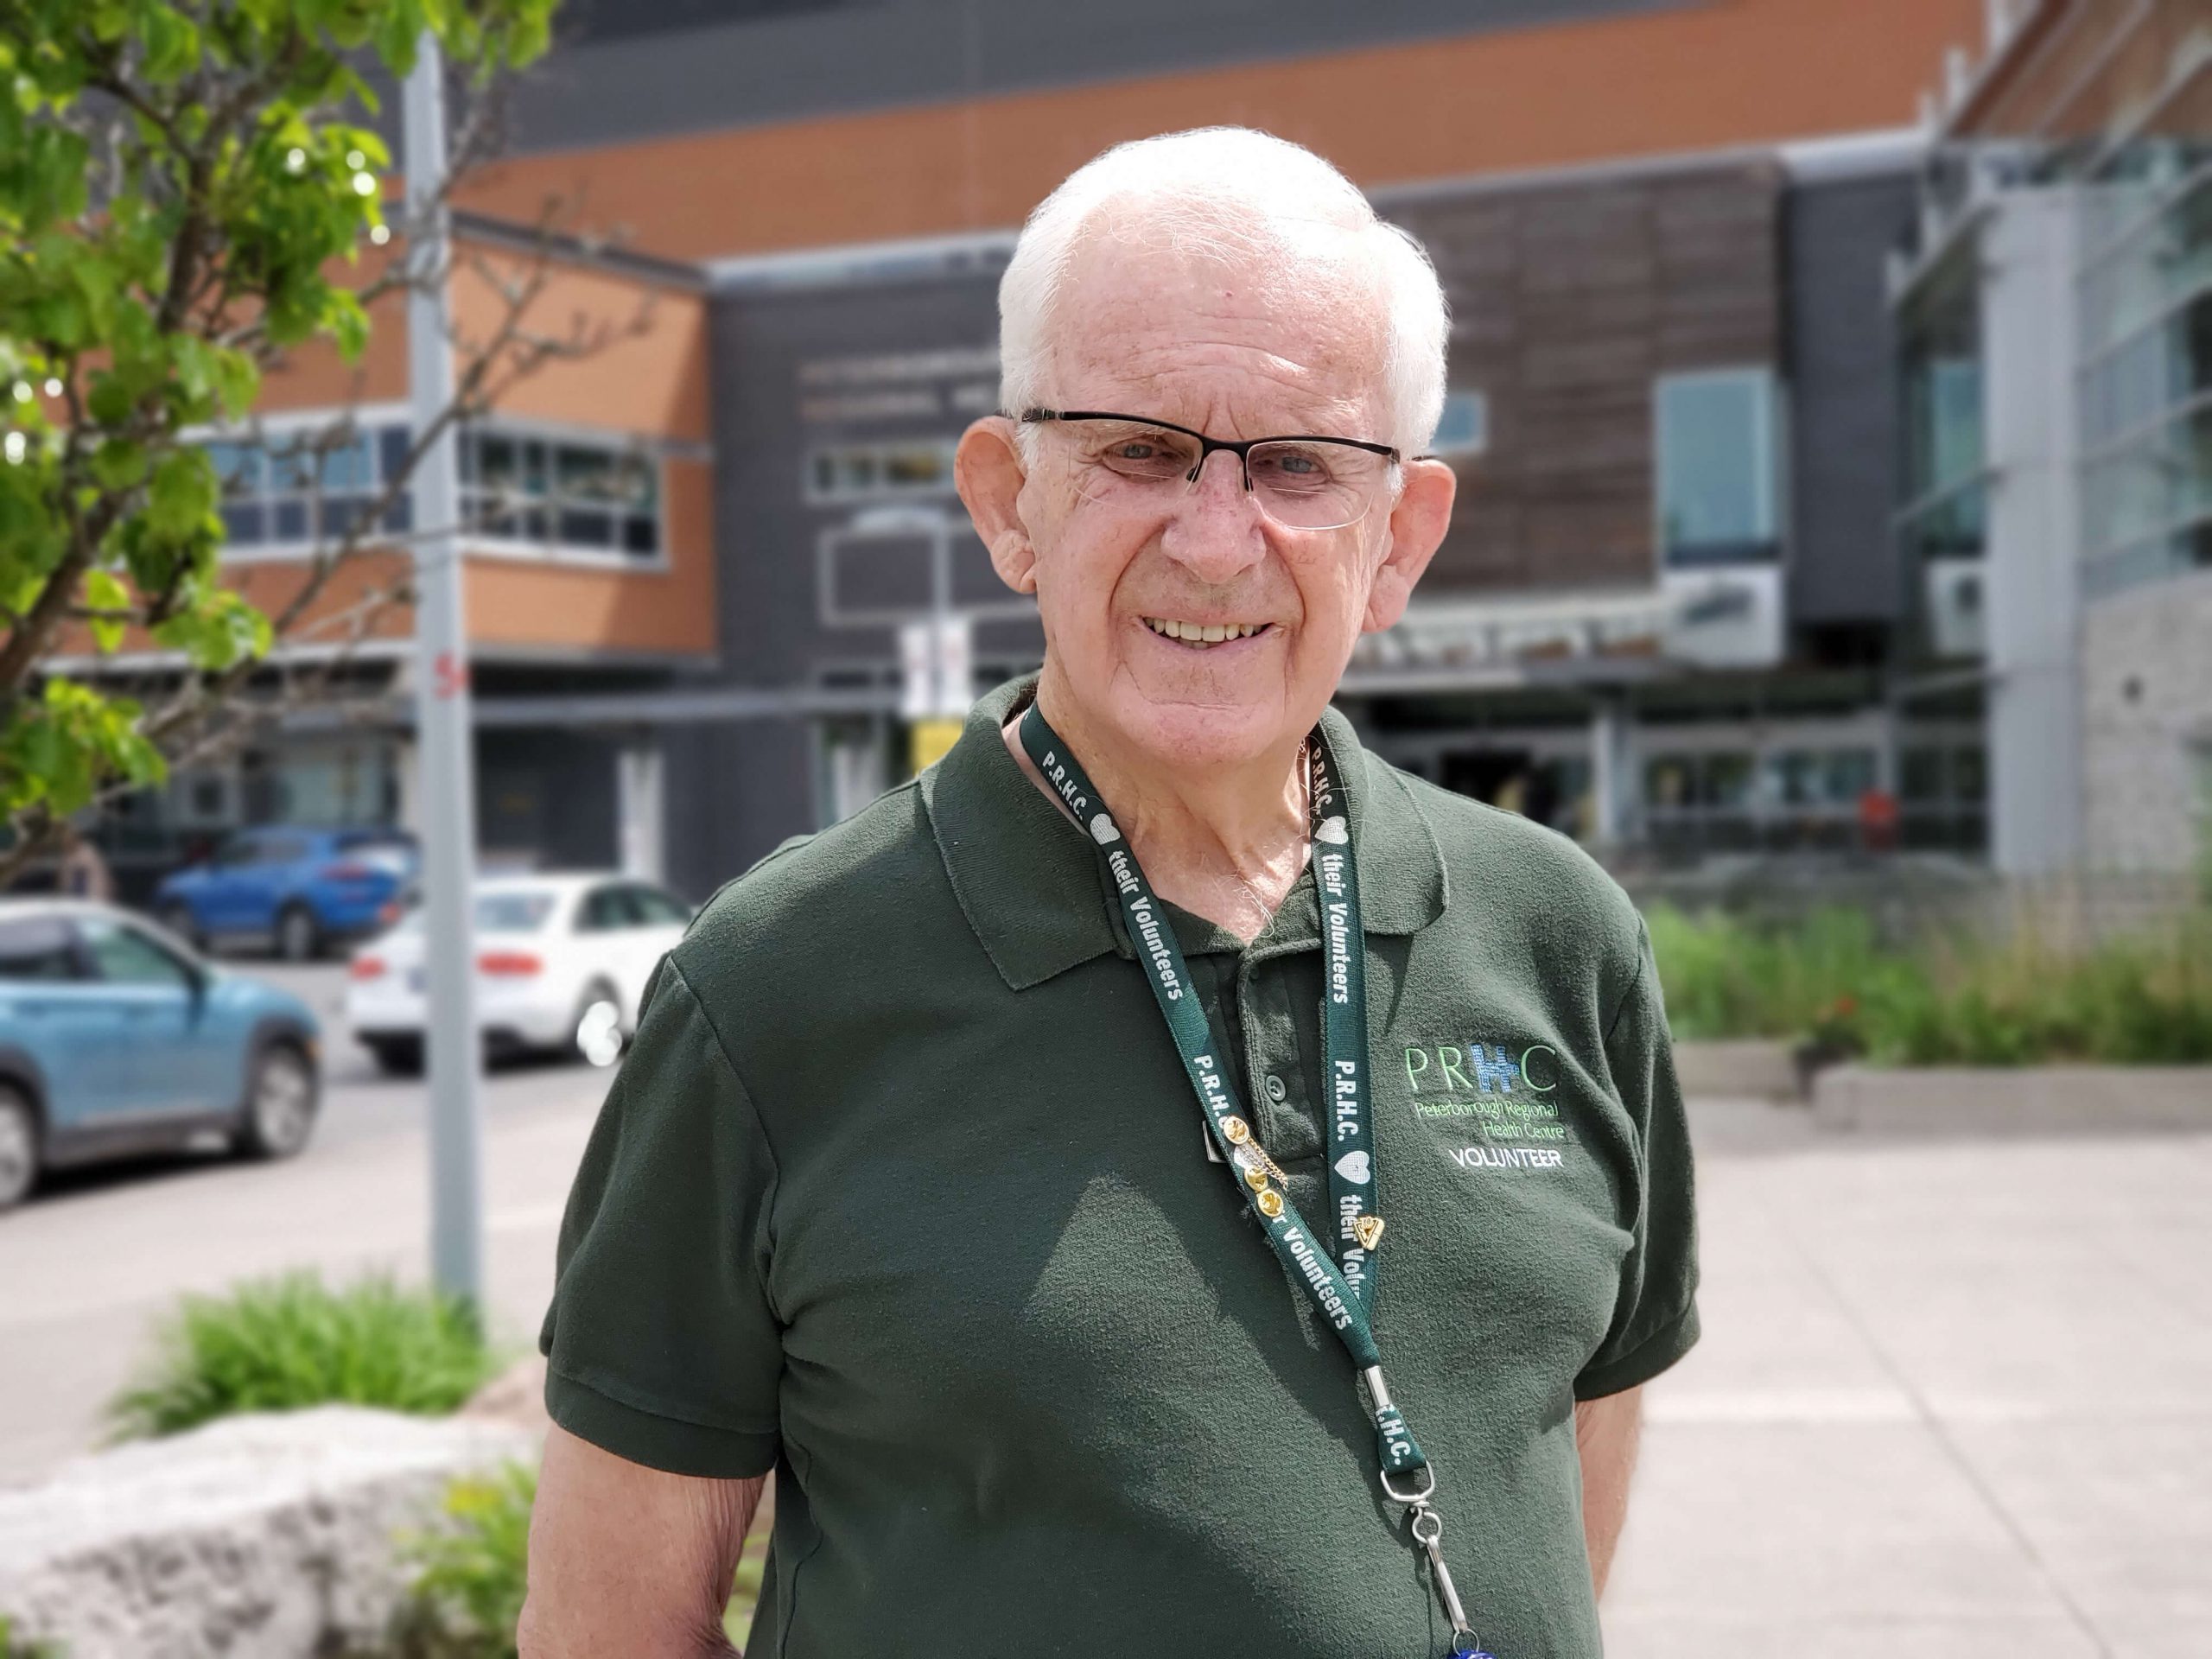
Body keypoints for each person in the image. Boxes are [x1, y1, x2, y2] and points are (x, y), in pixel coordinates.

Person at [520, 127, 1699, 1659]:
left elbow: (1569, 1456)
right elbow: (608, 1628)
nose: (1215, 544)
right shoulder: (774, 991)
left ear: (1398, 536)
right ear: (1011, 500)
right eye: (1137, 450)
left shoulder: (1560, 937)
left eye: (1296, 464)